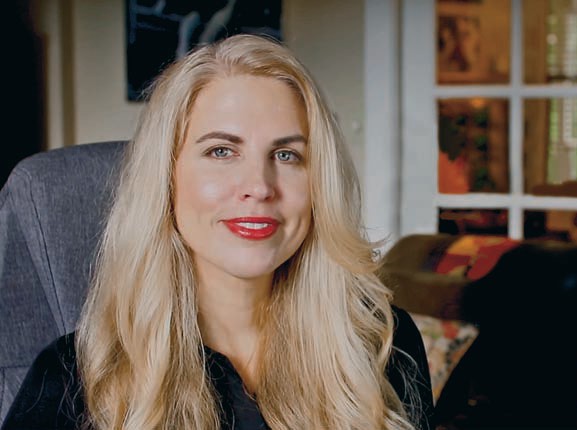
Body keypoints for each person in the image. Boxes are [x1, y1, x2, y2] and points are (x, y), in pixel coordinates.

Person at [1, 34, 433, 430]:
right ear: (166, 178)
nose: (259, 187)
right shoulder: (73, 381)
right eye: (221, 151)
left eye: (286, 155)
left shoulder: (379, 346)